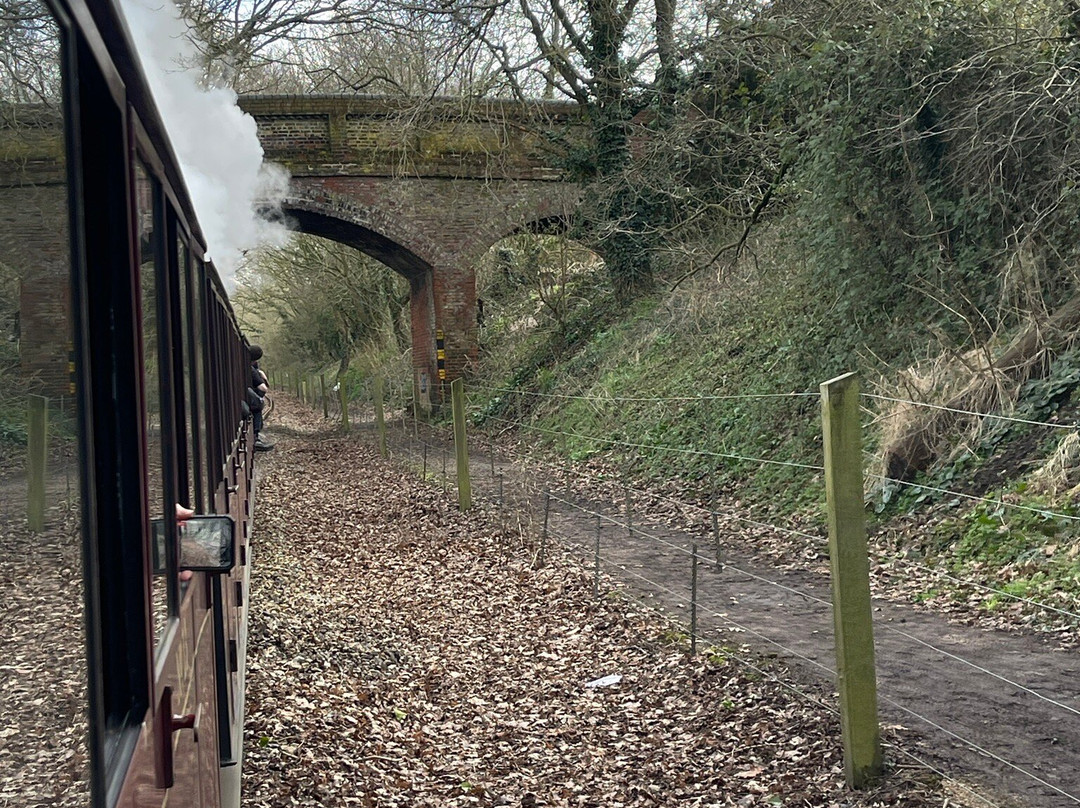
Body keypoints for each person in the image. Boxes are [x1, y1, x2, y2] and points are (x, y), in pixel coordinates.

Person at [249, 344, 273, 451]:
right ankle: (256, 436)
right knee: (258, 404)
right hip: (247, 400)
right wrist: (263, 379)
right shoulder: (251, 370)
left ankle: (256, 435)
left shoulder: (248, 367)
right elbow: (263, 388)